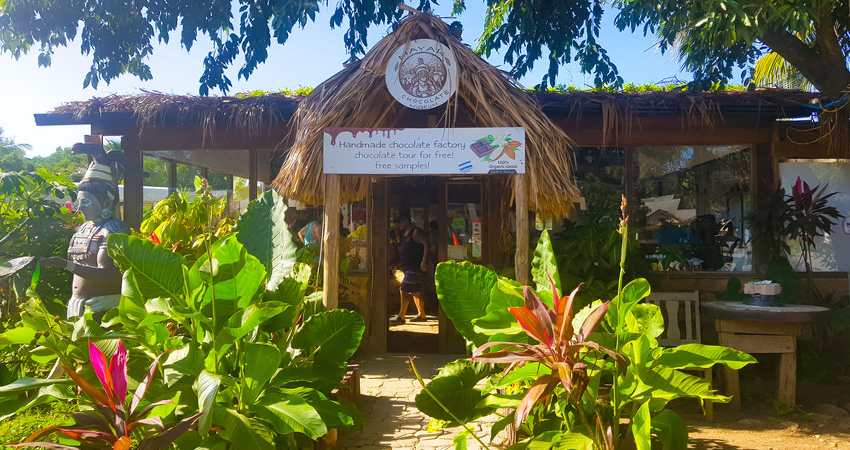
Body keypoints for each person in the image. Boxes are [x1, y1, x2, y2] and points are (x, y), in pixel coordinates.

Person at [39, 156, 129, 320]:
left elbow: (108, 274)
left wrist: (66, 265)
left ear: (106, 203)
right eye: (79, 202)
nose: (80, 208)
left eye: (86, 201)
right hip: (78, 303)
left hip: (102, 306)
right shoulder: (83, 228)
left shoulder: (113, 230)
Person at [389, 215, 429, 324]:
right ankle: (422, 314)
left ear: (406, 221)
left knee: (404, 289)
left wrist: (424, 260)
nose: (399, 225)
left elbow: (427, 244)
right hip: (406, 266)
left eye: (400, 222)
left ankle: (401, 316)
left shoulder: (416, 232)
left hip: (415, 266)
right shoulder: (403, 234)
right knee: (415, 292)